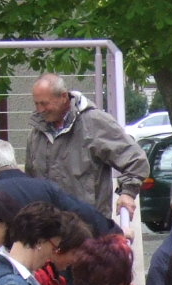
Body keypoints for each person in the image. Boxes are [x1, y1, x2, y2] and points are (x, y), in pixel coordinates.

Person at [25, 73, 150, 220]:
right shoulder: (36, 134)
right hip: (48, 227)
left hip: (89, 226)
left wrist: (128, 193)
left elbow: (136, 160)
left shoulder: (94, 123)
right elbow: (31, 181)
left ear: (63, 97)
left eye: (44, 103)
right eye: (36, 104)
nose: (40, 110)